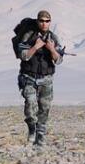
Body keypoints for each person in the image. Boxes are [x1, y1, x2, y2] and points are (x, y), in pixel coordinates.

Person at [16, 10, 63, 146]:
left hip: (46, 79)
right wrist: (35, 47)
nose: (44, 23)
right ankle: (32, 129)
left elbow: (58, 60)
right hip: (29, 77)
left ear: (50, 22)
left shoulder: (53, 38)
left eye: (47, 21)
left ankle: (40, 136)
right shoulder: (29, 36)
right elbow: (23, 56)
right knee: (30, 106)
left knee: (44, 108)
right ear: (37, 21)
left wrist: (51, 49)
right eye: (41, 21)